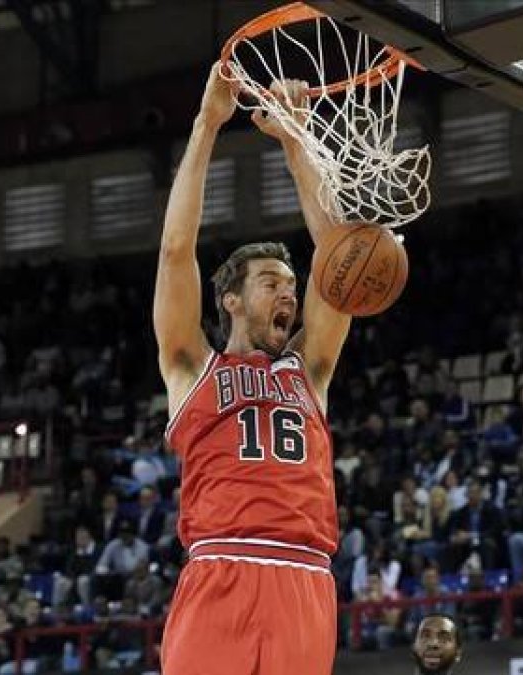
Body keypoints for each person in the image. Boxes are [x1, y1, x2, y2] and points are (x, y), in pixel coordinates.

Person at [156, 65, 353, 675]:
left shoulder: (311, 369)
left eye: (292, 286)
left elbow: (340, 257)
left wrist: (296, 141)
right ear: (232, 300)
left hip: (303, 576)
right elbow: (175, 250)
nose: (289, 296)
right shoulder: (191, 366)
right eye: (272, 283)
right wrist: (207, 124)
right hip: (219, 567)